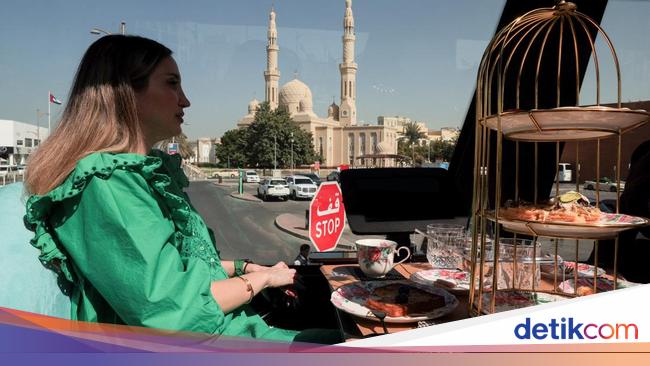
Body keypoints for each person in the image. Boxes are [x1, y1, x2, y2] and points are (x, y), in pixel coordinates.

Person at [23, 35, 340, 343]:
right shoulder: (105, 185)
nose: (185, 100)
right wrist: (263, 278)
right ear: (126, 93)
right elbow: (174, 311)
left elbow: (177, 264)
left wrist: (245, 267)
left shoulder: (142, 174)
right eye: (172, 84)